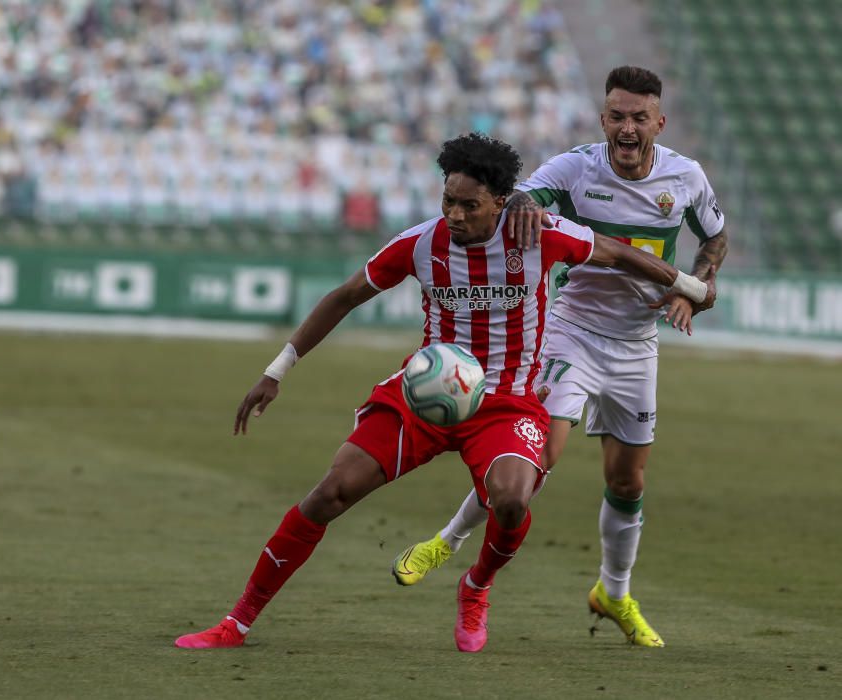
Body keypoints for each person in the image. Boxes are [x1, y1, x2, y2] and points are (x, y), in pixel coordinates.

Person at [173, 132, 714, 653]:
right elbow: (344, 297)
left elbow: (618, 253)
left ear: (501, 202)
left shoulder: (540, 234)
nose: (454, 215)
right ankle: (235, 622)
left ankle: (476, 586)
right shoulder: (420, 243)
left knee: (510, 499)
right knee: (328, 494)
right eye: (448, 201)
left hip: (505, 402)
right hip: (422, 396)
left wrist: (691, 287)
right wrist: (277, 369)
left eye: (469, 205)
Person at [391, 67, 729, 648]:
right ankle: (446, 543)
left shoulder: (687, 177)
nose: (627, 127)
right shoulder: (577, 167)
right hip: (568, 331)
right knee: (536, 456)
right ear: (603, 120)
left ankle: (614, 593)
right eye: (616, 116)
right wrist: (524, 202)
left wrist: (693, 282)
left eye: (638, 118)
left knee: (628, 481)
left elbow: (716, 238)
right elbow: (524, 195)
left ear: (658, 123)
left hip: (637, 343)